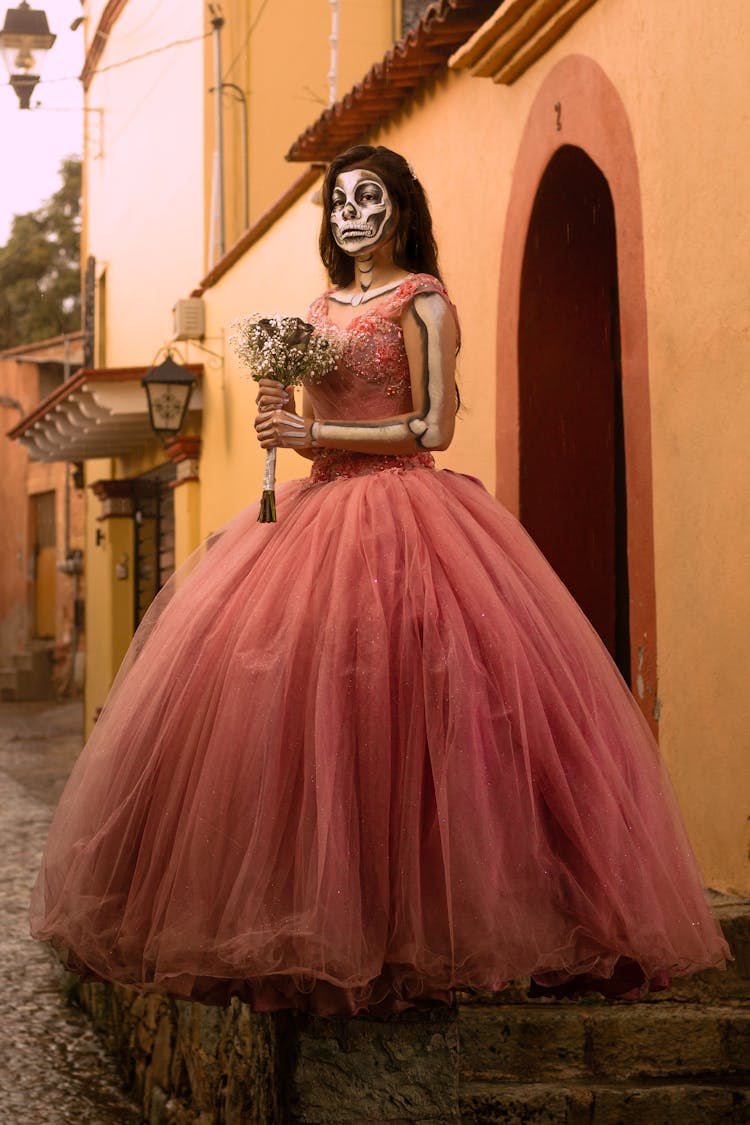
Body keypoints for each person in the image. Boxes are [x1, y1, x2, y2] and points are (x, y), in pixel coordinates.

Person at [31, 145, 729, 1016]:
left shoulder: (424, 299)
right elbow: (318, 420)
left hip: (407, 514)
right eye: (338, 201)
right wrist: (287, 419)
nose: (351, 213)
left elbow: (430, 427)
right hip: (317, 513)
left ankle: (446, 923)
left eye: (370, 197)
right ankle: (317, 917)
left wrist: (316, 441)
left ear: (402, 209)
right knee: (300, 706)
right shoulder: (322, 306)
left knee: (427, 703)